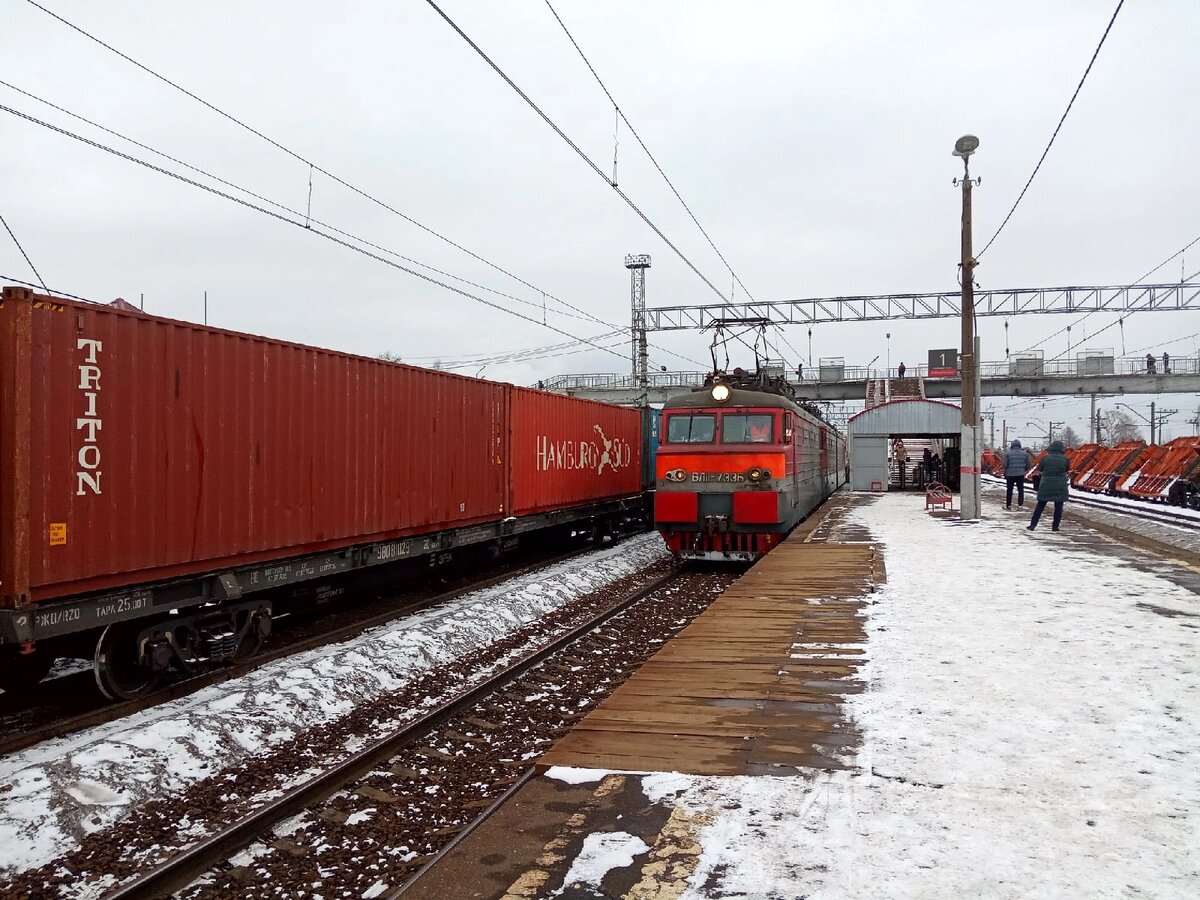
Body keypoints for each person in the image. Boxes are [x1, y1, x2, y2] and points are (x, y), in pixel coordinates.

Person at [1027, 440, 1069, 532]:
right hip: (1060, 485)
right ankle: (1055, 527)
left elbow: (1039, 469)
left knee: (1040, 506)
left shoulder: (1045, 458)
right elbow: (1067, 469)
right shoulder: (1065, 459)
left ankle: (1033, 525)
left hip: (1046, 484)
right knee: (1058, 507)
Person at [1003, 439, 1031, 509]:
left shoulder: (1007, 454)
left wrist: (1007, 470)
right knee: (1020, 490)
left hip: (1010, 474)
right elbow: (1028, 465)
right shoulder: (1025, 454)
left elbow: (1005, 465)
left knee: (1009, 490)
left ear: (1012, 445)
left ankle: (1008, 505)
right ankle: (1020, 505)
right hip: (1020, 474)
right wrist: (1024, 470)